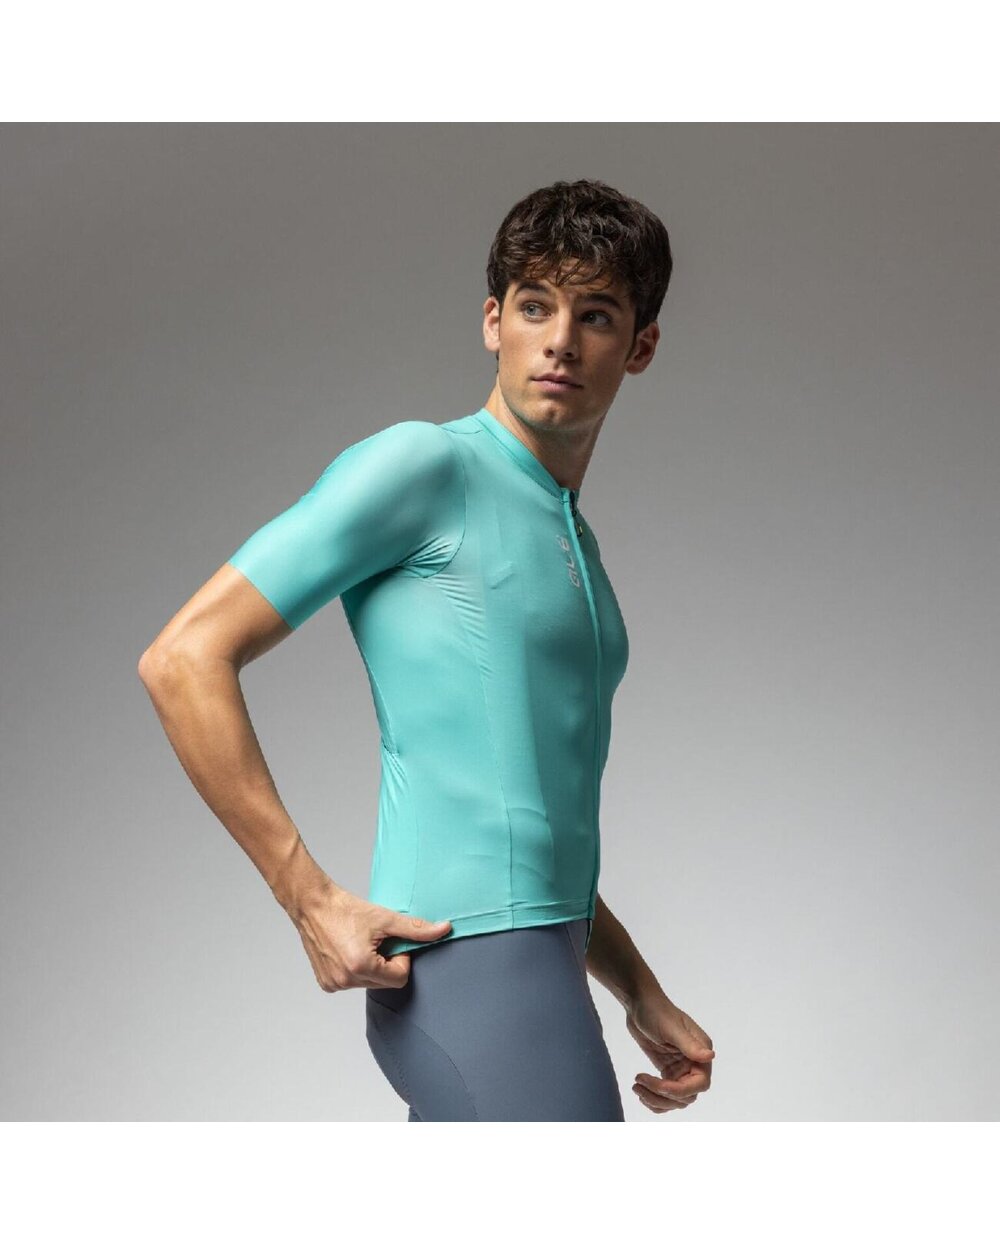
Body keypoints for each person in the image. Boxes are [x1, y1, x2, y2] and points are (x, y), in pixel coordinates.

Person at [138, 178, 715, 1121]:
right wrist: (309, 899)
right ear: (494, 322)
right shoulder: (427, 466)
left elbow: (531, 821)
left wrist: (636, 988)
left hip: (535, 958)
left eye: (597, 315)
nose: (561, 341)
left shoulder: (571, 534)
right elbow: (182, 658)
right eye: (536, 307)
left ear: (639, 346)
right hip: (474, 969)